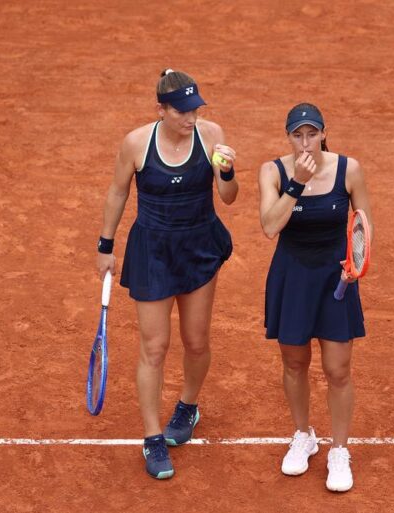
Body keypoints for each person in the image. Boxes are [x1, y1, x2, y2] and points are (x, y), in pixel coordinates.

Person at [96, 69, 238, 480]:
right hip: (153, 251)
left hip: (198, 247)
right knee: (153, 347)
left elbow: (229, 198)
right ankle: (153, 438)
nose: (191, 118)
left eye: (196, 109)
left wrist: (227, 173)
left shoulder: (211, 135)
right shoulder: (137, 143)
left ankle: (188, 407)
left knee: (196, 341)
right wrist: (105, 246)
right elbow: (118, 191)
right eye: (183, 112)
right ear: (161, 110)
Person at [258, 103, 373, 492]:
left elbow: (363, 224)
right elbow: (270, 226)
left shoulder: (349, 169)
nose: (305, 142)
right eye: (297, 135)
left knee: (338, 369)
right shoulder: (273, 172)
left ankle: (339, 450)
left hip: (334, 277)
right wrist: (296, 184)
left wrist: (355, 263)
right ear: (288, 136)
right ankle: (303, 435)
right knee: (294, 363)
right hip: (292, 278)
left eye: (312, 133)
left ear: (324, 133)